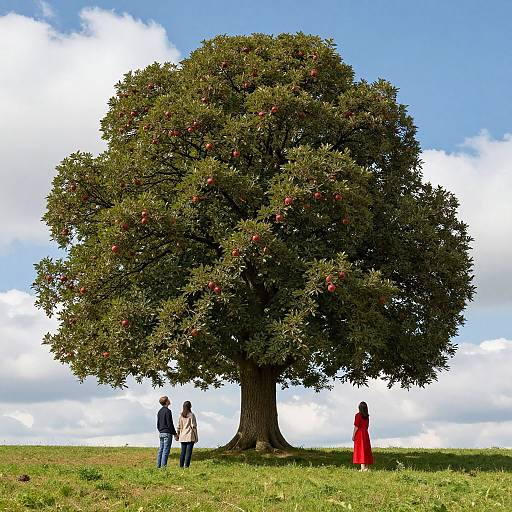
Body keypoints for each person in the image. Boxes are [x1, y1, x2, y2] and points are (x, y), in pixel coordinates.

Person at [175, 401, 198, 468]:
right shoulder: (191, 415)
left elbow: (179, 426)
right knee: (188, 452)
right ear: (190, 406)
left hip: (182, 436)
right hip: (190, 436)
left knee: (183, 452)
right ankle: (186, 467)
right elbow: (193, 426)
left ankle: (181, 466)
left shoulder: (181, 416)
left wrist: (178, 434)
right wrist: (196, 437)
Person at [156, 395, 177, 468]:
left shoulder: (159, 411)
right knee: (166, 451)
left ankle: (158, 466)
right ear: (166, 401)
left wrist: (160, 430)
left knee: (160, 450)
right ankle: (163, 467)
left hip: (161, 432)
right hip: (167, 433)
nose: (169, 400)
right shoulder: (168, 411)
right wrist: (174, 433)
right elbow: (170, 423)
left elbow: (158, 423)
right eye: (168, 399)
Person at [352, 401, 374, 471]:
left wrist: (353, 435)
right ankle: (366, 467)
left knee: (361, 449)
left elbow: (356, 427)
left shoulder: (358, 415)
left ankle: (362, 468)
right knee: (366, 449)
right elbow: (367, 426)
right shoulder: (367, 416)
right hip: (365, 433)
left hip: (359, 434)